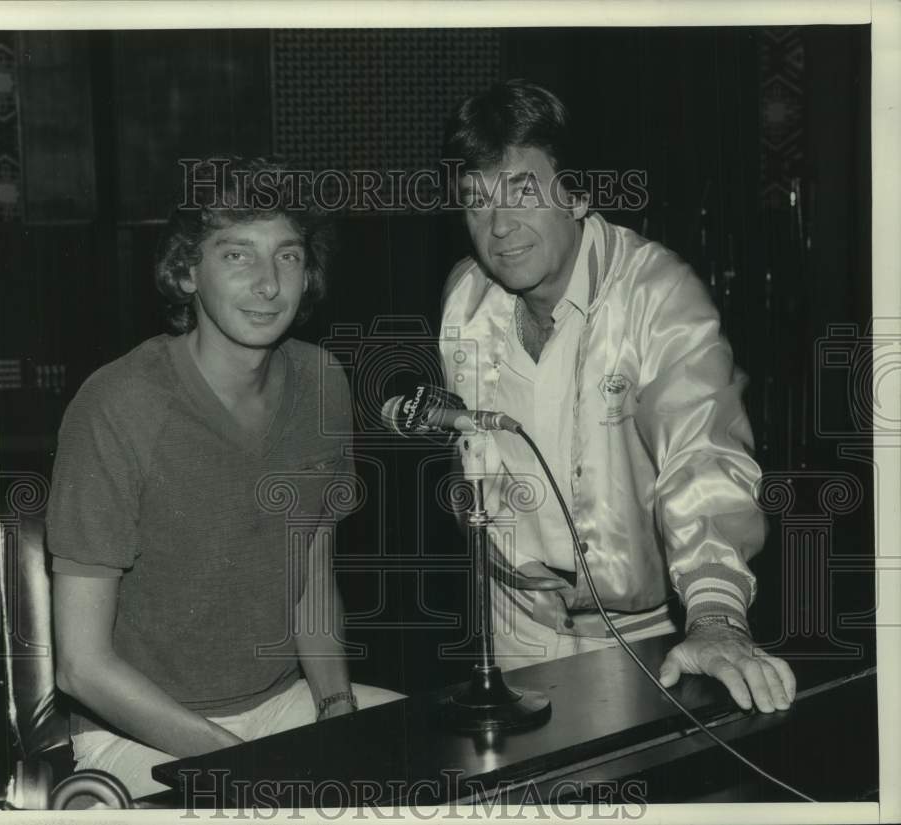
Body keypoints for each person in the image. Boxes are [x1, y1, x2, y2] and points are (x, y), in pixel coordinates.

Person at [46, 155, 400, 800]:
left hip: (282, 704)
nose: (269, 284)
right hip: (136, 732)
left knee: (450, 766)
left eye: (287, 256)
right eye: (238, 255)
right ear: (186, 272)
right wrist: (250, 765)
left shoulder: (323, 382)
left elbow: (311, 585)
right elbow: (81, 668)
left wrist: (337, 712)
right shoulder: (118, 404)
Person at [437, 80, 795, 714]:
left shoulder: (658, 295)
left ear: (577, 196)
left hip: (635, 640)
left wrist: (715, 618)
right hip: (508, 631)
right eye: (476, 201)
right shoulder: (464, 301)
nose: (498, 227)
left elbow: (703, 453)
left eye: (523, 191)